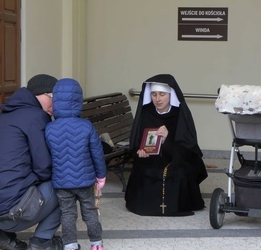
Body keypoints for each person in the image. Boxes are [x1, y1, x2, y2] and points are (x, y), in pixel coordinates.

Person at [0, 74, 63, 250]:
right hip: (12, 214)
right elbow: (44, 169)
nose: (56, 106)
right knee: (68, 184)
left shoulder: (0, 119)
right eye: (55, 98)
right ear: (43, 94)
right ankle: (42, 242)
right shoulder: (37, 117)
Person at [125, 74, 208, 216]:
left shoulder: (180, 114)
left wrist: (167, 140)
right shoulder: (146, 113)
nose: (157, 99)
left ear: (170, 94)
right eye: (154, 94)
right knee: (144, 171)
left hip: (176, 158)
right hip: (150, 159)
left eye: (162, 94)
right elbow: (138, 142)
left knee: (179, 174)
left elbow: (188, 148)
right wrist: (140, 151)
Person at [45, 78, 107, 250]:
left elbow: (48, 156)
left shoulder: (50, 128)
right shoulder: (86, 126)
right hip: (85, 181)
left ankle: (70, 246)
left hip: (61, 182)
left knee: (67, 214)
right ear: (78, 101)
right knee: (90, 213)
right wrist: (101, 176)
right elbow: (97, 153)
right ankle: (97, 244)